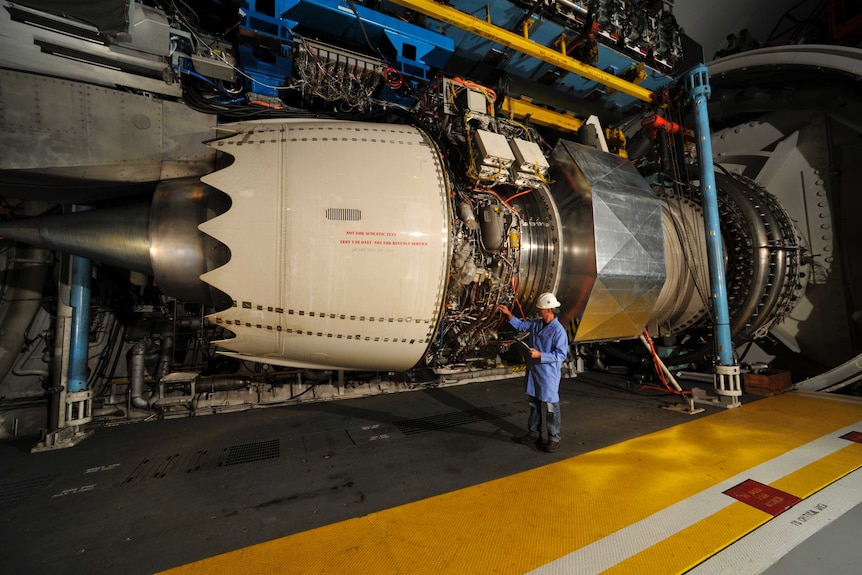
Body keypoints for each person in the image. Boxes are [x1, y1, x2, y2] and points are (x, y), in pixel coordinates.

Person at [497, 292, 569, 452]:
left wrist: (540, 355)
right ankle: (534, 433)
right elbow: (522, 326)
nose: (538, 311)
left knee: (551, 407)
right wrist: (509, 315)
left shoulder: (558, 331)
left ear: (549, 310)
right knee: (534, 405)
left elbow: (561, 355)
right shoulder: (537, 324)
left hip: (548, 374)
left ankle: (553, 438)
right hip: (534, 372)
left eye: (540, 309)